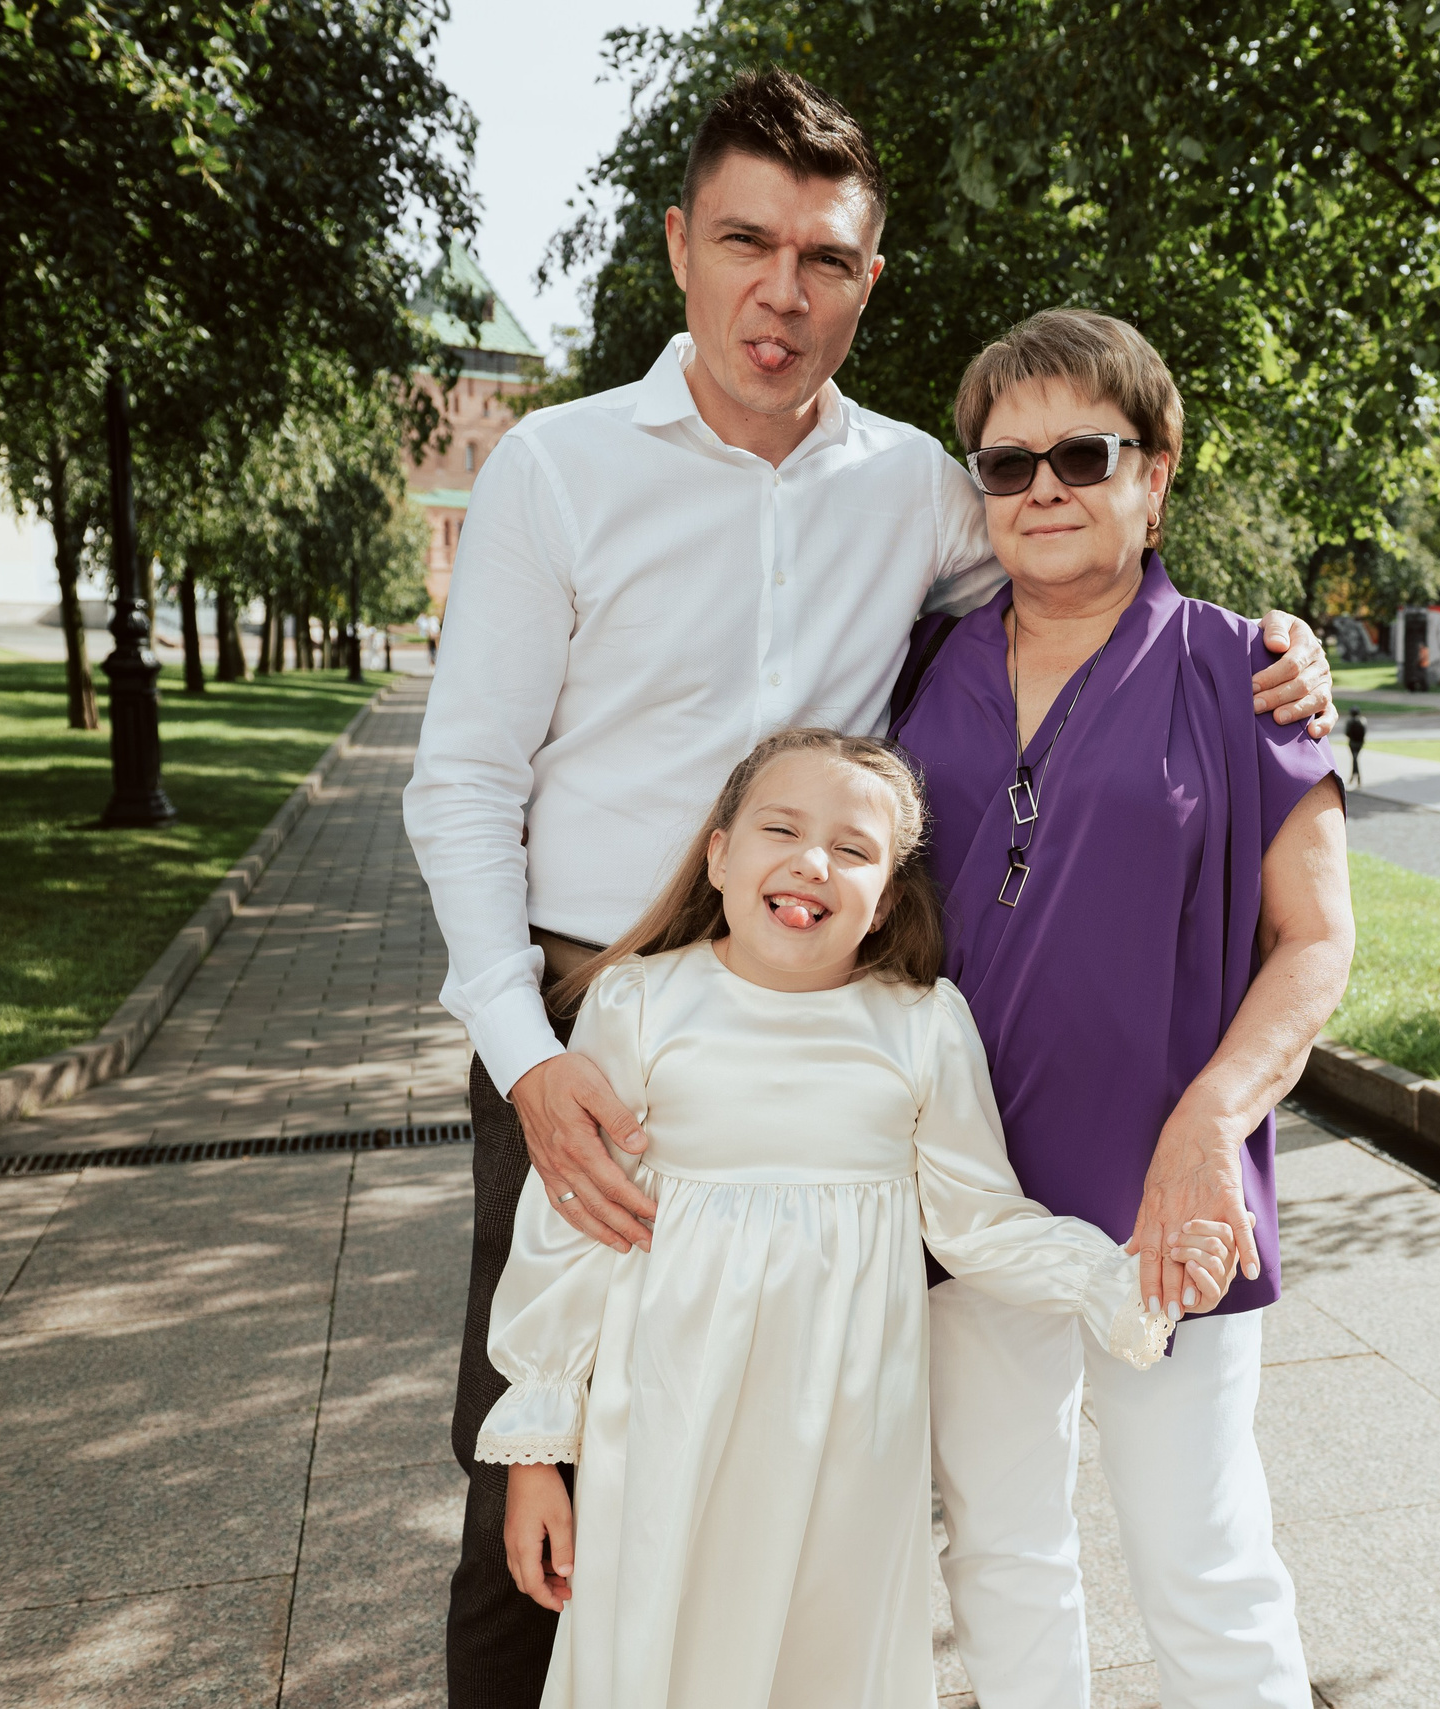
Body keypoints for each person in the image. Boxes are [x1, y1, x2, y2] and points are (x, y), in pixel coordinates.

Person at [401, 70, 1332, 1708]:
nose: (783, 287)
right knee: (548, 1456)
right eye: (747, 241)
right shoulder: (553, 469)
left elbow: (1086, 586)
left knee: (819, 1456)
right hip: (590, 1008)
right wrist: (524, 1048)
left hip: (838, 1019)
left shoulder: (918, 486)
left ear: (867, 280)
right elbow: (464, 777)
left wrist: (1288, 662)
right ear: (680, 245)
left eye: (824, 257)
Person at [482, 729, 1233, 1707]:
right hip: (665, 1421)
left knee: (826, 1662)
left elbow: (977, 1221)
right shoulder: (639, 1003)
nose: (810, 860)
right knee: (660, 1645)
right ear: (718, 853)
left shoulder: (919, 1023)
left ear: (884, 898)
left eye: (852, 847)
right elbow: (568, 1229)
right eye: (780, 828)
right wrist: (538, 1451)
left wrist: (1118, 1275)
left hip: (849, 1437)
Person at [891, 310, 1353, 1709]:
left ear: (1156, 475)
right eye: (1006, 462)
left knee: (1200, 1552)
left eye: (1082, 455)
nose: (1041, 489)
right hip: (967, 1197)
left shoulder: (1247, 675)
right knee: (1004, 1553)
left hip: (1172, 1196)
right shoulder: (917, 667)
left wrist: (1212, 1121)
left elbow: (1316, 940)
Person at [1343, 707, 1367, 788]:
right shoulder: (1363, 721)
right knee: (1355, 759)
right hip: (1359, 743)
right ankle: (1356, 778)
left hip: (1352, 743)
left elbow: (1347, 732)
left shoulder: (1350, 721)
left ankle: (1355, 778)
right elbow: (1364, 732)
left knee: (1354, 760)